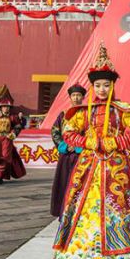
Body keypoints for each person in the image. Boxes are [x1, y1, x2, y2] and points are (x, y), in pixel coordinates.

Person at [52, 44, 130, 259]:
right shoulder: (81, 112)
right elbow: (68, 132)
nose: (101, 89)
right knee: (84, 210)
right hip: (89, 166)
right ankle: (86, 258)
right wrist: (88, 142)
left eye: (106, 85)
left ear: (112, 86)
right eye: (98, 85)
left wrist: (113, 143)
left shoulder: (122, 111)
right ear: (92, 87)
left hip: (116, 167)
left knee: (119, 209)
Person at [50, 86, 87, 218]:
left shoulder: (87, 114)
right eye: (73, 95)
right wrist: (63, 145)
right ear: (70, 97)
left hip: (82, 154)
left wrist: (80, 146)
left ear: (83, 97)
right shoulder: (63, 115)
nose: (76, 98)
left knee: (81, 182)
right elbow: (55, 131)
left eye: (78, 95)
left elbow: (90, 133)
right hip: (66, 155)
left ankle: (80, 210)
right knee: (65, 181)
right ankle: (64, 210)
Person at [0, 98, 27, 184]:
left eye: (7, 107)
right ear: (0, 108)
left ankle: (0, 175)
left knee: (5, 156)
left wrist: (13, 134)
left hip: (7, 139)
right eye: (4, 107)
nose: (5, 108)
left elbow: (18, 127)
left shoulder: (13, 117)